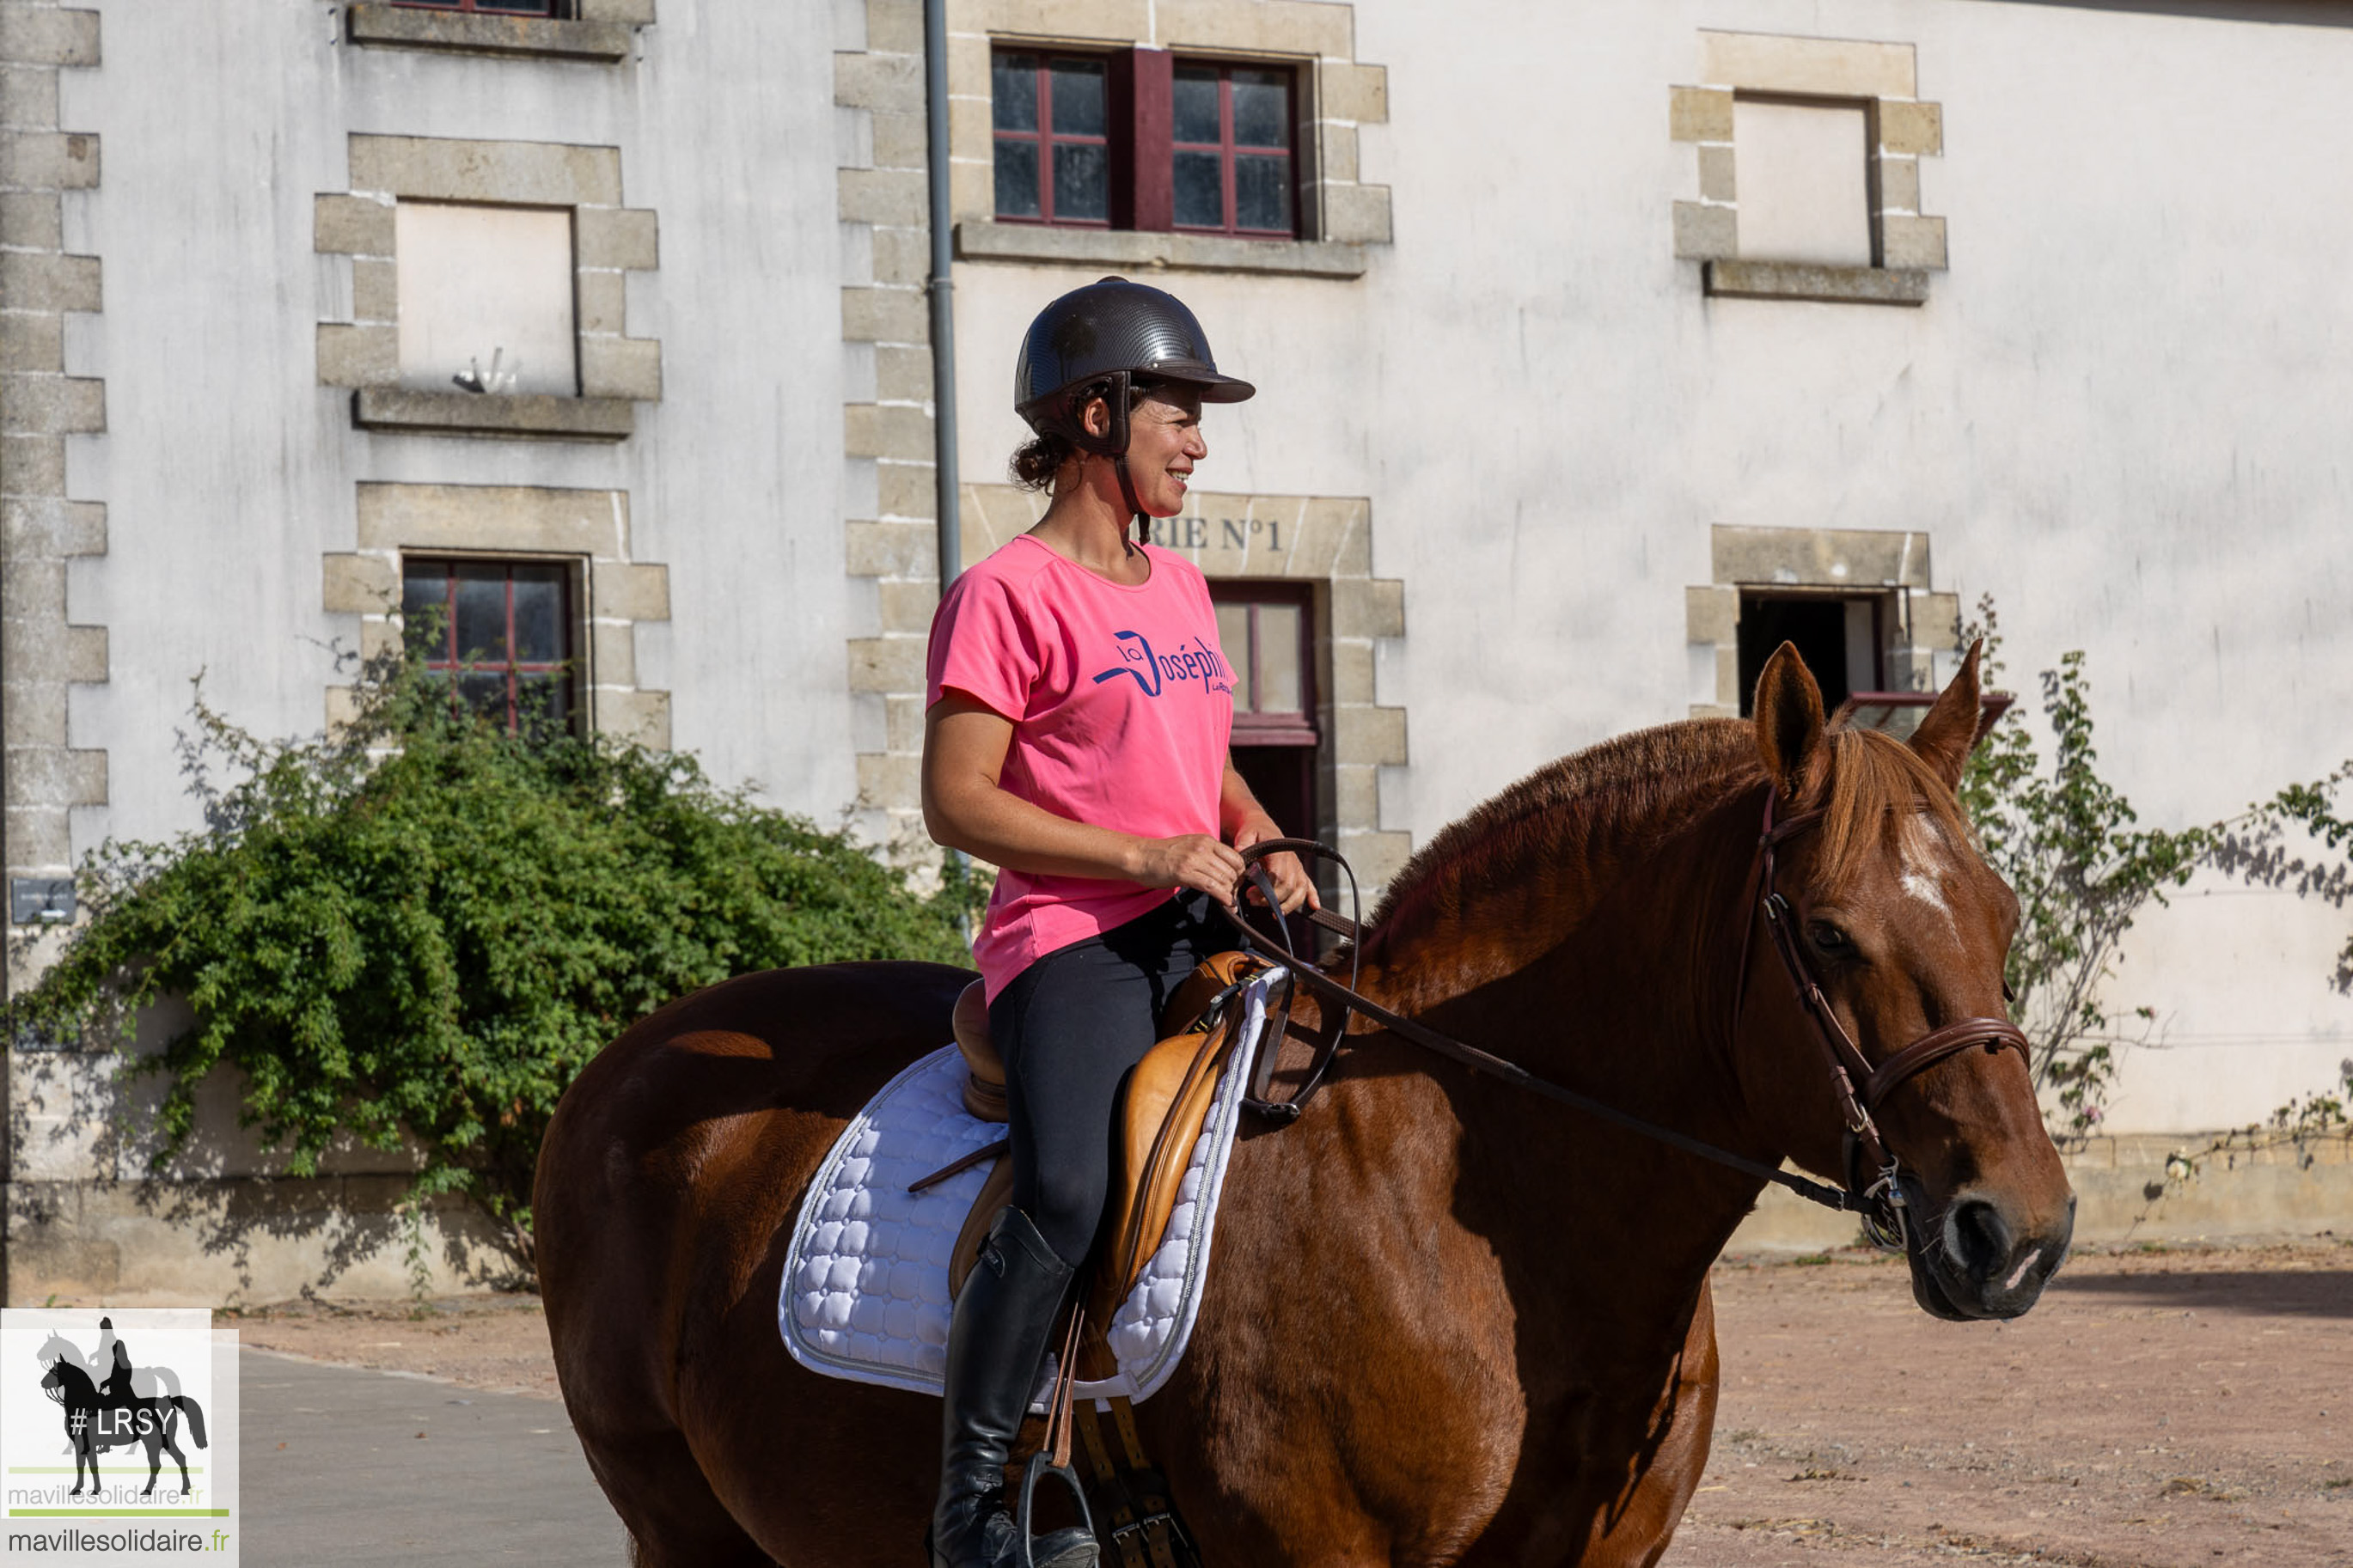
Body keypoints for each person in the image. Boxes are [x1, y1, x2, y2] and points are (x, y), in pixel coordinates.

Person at [920, 278, 1317, 1568]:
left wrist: (1258, 838)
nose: (1198, 440)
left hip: (1201, 919)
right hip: (1072, 938)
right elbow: (955, 801)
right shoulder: (1005, 593)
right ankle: (974, 1503)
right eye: (1180, 413)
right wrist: (1146, 854)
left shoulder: (1184, 593)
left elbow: (1205, 767)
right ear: (1099, 413)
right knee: (1072, 1189)